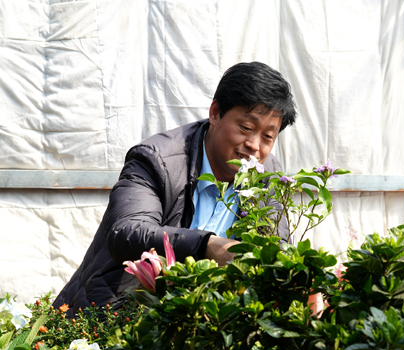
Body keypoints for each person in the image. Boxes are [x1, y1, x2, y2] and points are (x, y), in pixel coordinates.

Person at [53, 62, 297, 314]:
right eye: (246, 128)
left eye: (268, 136)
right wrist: (206, 246)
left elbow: (275, 249)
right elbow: (126, 232)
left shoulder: (266, 175)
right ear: (215, 112)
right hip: (117, 316)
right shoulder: (157, 160)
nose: (254, 145)